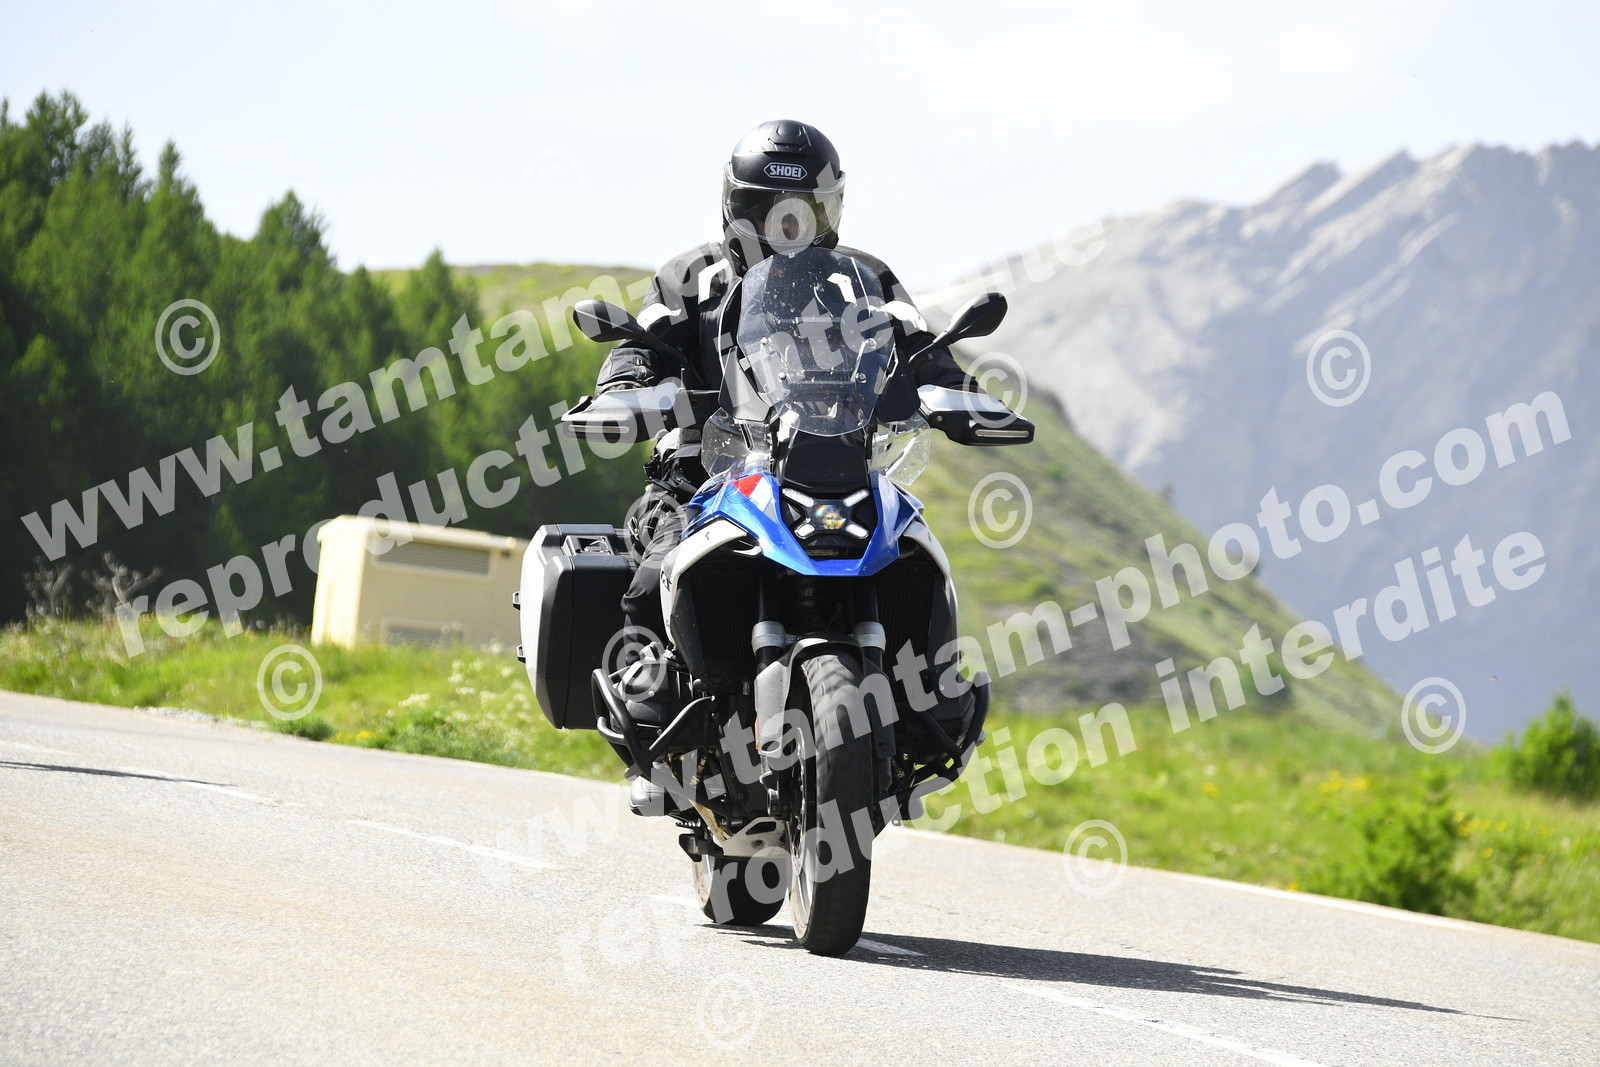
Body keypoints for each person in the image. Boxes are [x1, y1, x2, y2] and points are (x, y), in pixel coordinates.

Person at [595, 119, 986, 738]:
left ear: (830, 210)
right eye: (767, 209)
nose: (787, 225)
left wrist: (961, 395)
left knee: (914, 556)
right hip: (704, 474)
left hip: (839, 465)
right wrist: (624, 389)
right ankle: (650, 683)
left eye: (806, 209)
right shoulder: (692, 276)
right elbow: (641, 347)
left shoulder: (863, 279)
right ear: (735, 208)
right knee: (655, 569)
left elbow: (920, 348)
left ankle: (929, 692)